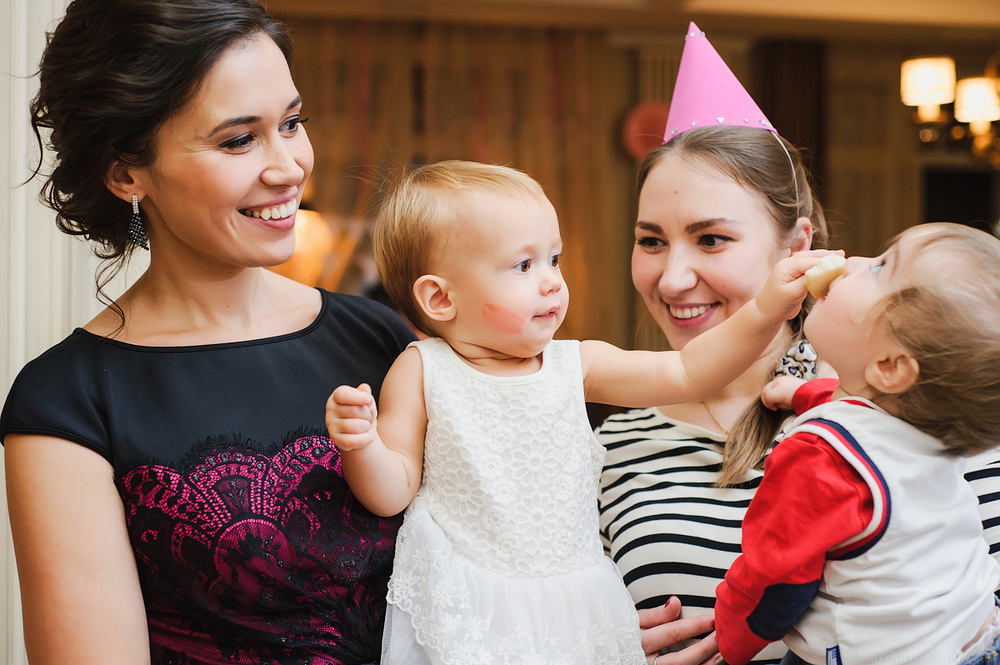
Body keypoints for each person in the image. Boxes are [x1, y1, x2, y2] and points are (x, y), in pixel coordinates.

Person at [0, 1, 416, 663]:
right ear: (125, 171)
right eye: (238, 139)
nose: (288, 166)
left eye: (292, 122)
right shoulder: (68, 399)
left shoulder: (379, 339)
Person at [324, 160, 834, 665]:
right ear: (440, 297)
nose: (552, 283)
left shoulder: (575, 363)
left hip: (572, 597)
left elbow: (688, 370)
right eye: (525, 266)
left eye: (554, 259)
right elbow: (392, 492)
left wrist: (766, 308)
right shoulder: (421, 371)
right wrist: (363, 445)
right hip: (472, 597)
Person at [597, 23, 830, 665]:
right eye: (651, 240)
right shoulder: (605, 445)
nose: (671, 279)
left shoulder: (886, 403)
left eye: (712, 239)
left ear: (796, 247)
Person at [714, 222, 1000, 664]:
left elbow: (776, 578)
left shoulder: (816, 457)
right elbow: (875, 421)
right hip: (976, 634)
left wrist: (731, 639)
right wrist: (802, 394)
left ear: (888, 366)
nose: (855, 261)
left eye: (881, 267)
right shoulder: (930, 429)